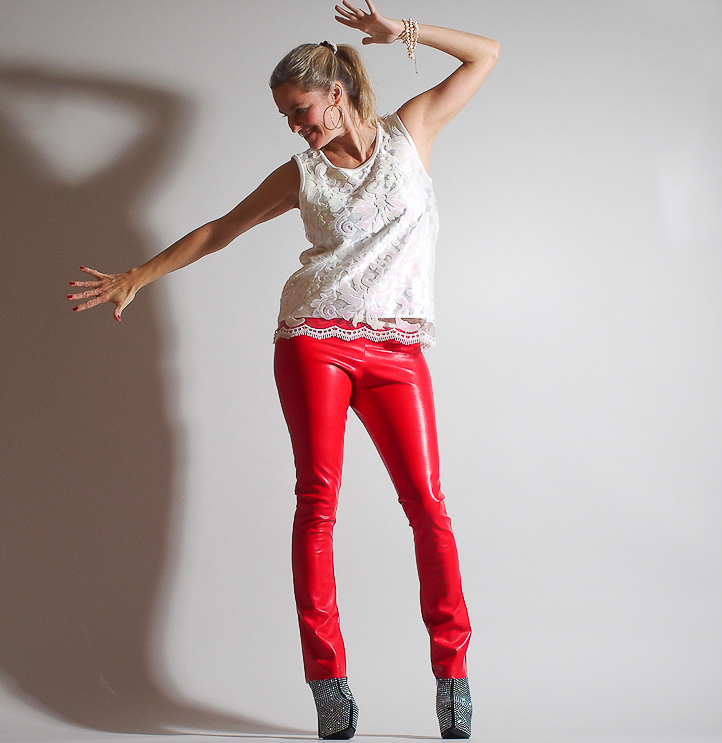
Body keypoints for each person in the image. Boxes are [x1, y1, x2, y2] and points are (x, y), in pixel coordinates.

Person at [68, 1, 499, 738]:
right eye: (286, 120)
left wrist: (404, 33)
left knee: (428, 505)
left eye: (301, 111)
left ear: (336, 91)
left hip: (397, 349)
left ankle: (452, 676)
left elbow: (486, 53)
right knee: (318, 503)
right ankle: (328, 681)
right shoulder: (301, 172)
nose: (297, 127)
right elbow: (221, 228)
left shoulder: (412, 128)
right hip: (313, 342)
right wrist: (139, 273)